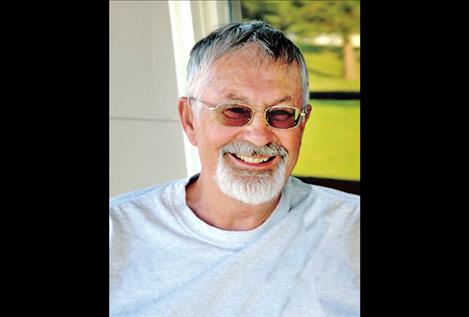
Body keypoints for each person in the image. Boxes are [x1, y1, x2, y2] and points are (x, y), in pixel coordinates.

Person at [110, 21, 359, 317]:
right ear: (189, 120)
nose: (259, 135)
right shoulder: (118, 234)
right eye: (235, 110)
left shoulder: (352, 229)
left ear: (302, 124)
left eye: (280, 114)